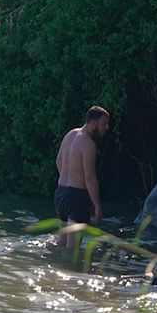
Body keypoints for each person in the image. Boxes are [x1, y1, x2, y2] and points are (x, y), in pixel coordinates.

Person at [54, 105, 109, 247]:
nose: (106, 128)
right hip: (76, 197)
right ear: (94, 123)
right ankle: (71, 270)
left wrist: (68, 183)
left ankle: (53, 267)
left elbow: (58, 161)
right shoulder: (88, 144)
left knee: (61, 244)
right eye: (104, 124)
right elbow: (90, 179)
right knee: (73, 250)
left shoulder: (70, 134)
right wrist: (97, 207)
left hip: (61, 193)